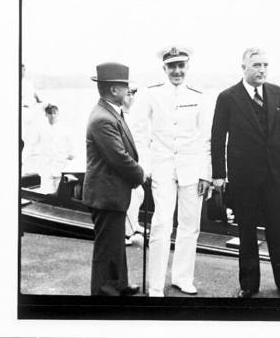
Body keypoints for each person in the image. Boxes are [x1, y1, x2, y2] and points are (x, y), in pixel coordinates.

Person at [211, 48, 280, 298]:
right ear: (244, 67)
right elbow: (217, 138)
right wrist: (219, 174)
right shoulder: (227, 97)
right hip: (244, 178)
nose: (262, 70)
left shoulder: (277, 93)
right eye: (256, 65)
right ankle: (249, 285)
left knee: (279, 232)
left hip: (275, 176)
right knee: (247, 233)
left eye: (265, 65)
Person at [133, 46, 212, 297]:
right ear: (164, 68)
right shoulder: (151, 94)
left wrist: (205, 174)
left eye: (181, 65)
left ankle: (182, 278)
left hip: (192, 169)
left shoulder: (199, 96)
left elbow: (206, 139)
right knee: (161, 223)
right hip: (163, 167)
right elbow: (139, 132)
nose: (177, 70)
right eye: (172, 66)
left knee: (190, 226)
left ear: (188, 67)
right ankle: (155, 284)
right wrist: (145, 165)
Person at [83, 62, 146, 296]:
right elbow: (118, 158)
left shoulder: (110, 112)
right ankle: (103, 292)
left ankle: (119, 283)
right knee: (107, 247)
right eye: (124, 86)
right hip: (105, 194)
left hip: (112, 192)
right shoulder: (103, 118)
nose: (128, 91)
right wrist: (140, 174)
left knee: (116, 243)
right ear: (113, 90)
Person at [121, 88, 146, 247]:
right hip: (125, 163)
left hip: (136, 161)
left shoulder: (135, 116)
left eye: (132, 94)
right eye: (128, 94)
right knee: (128, 197)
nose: (131, 98)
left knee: (139, 193)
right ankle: (125, 233)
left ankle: (134, 225)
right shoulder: (119, 116)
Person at [34, 103, 75, 194]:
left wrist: (67, 156)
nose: (52, 115)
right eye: (49, 113)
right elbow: (34, 146)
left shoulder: (65, 129)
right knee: (45, 192)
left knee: (59, 192)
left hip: (60, 165)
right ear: (46, 115)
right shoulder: (41, 129)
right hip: (46, 166)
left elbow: (72, 148)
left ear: (58, 114)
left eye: (54, 113)